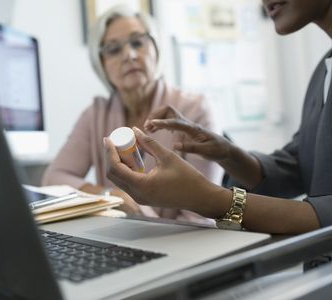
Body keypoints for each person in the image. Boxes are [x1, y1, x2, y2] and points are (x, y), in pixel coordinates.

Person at [104, 0, 332, 234]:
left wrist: (209, 199)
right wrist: (227, 153)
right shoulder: (323, 72)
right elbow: (297, 168)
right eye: (113, 49)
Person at [42, 6, 223, 222]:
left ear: (156, 49)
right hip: (120, 239)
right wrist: (110, 195)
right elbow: (54, 178)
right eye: (113, 49)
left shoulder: (195, 110)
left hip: (185, 241)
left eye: (138, 42)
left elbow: (200, 217)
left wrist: (142, 215)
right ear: (101, 64)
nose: (129, 55)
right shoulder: (95, 114)